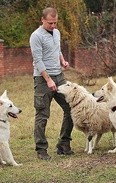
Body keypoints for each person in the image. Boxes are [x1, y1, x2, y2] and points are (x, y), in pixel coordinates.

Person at [29, 7, 74, 160]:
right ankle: (41, 150)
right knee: (42, 115)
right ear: (42, 20)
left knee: (71, 109)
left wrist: (62, 61)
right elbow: (38, 60)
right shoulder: (36, 36)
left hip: (59, 76)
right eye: (50, 23)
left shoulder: (57, 33)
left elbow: (57, 49)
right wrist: (48, 79)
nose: (53, 26)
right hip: (43, 79)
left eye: (55, 23)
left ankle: (63, 144)